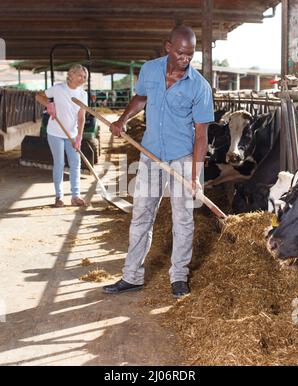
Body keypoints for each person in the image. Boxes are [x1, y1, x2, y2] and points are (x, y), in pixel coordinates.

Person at [103, 25, 214, 298]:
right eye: (180, 53)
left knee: (183, 219)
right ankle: (131, 276)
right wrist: (122, 120)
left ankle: (178, 277)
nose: (185, 59)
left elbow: (201, 135)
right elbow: (141, 98)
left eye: (190, 54)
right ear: (168, 47)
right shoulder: (150, 70)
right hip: (150, 154)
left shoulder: (199, 86)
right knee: (141, 214)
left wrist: (195, 175)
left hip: (182, 158)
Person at [39, 64, 88, 207]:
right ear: (70, 75)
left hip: (72, 134)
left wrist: (79, 136)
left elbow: (81, 116)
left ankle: (75, 196)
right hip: (55, 133)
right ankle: (59, 197)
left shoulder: (82, 94)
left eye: (84, 77)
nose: (82, 79)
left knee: (75, 163)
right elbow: (39, 96)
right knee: (59, 163)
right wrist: (49, 105)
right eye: (79, 75)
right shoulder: (58, 89)